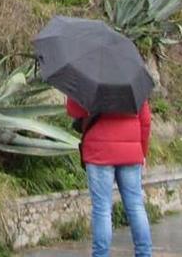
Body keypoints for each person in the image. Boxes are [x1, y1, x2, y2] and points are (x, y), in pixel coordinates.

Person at [67, 97, 152, 257]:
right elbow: (145, 120)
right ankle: (144, 253)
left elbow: (73, 110)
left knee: (102, 210)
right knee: (136, 207)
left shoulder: (90, 77)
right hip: (131, 152)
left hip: (99, 152)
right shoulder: (132, 80)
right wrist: (143, 151)